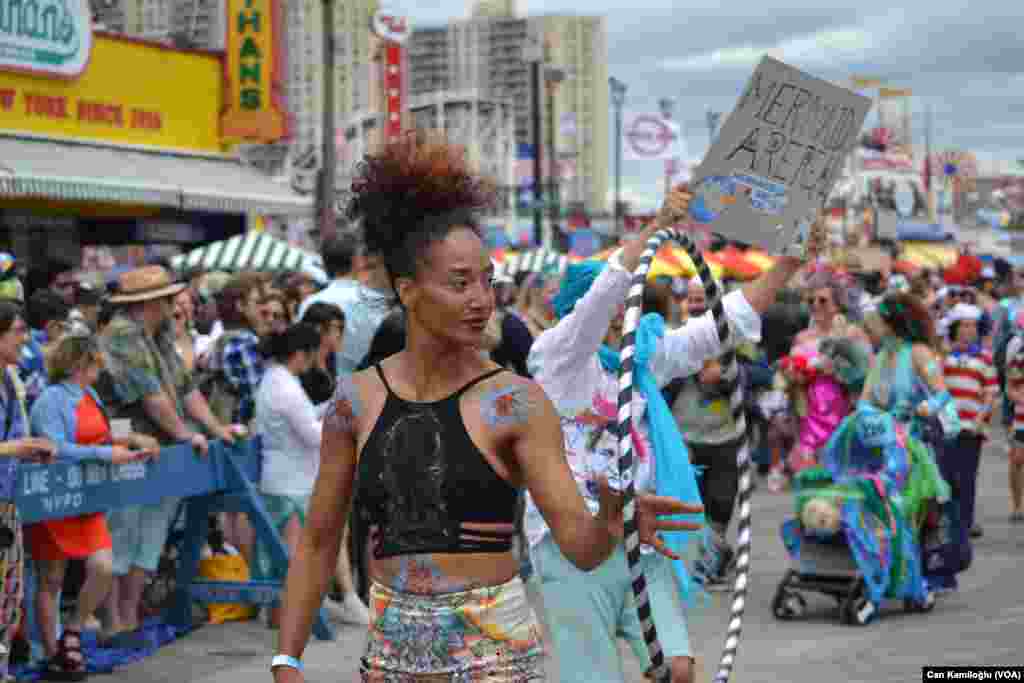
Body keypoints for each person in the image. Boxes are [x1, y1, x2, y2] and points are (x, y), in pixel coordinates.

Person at [271, 134, 699, 682]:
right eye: (459, 283)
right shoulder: (354, 402)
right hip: (389, 661)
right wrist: (287, 658)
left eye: (486, 282)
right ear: (408, 290)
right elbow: (318, 539)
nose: (480, 299)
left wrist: (615, 520)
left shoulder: (516, 402)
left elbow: (582, 548)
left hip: (493, 657)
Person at [526, 195, 817, 683]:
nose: (622, 317)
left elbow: (720, 327)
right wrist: (656, 227)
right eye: (616, 309)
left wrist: (787, 263)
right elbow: (597, 305)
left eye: (631, 308)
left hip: (640, 537)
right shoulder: (555, 358)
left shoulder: (642, 359)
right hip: (569, 545)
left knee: (677, 670)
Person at [96, 266, 237, 640]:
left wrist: (216, 429)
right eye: (167, 298)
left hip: (160, 447)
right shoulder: (123, 335)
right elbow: (151, 397)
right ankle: (114, 620)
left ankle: (129, 615)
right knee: (122, 531)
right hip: (123, 442)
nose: (174, 303)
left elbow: (186, 388)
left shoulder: (155, 334)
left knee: (150, 533)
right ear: (149, 302)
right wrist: (185, 433)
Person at [26, 336, 158, 679]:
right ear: (79, 364)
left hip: (86, 499)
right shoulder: (48, 401)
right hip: (54, 498)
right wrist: (106, 454)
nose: (100, 367)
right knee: (50, 578)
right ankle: (55, 653)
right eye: (96, 361)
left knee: (102, 566)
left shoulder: (91, 395)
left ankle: (71, 630)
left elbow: (106, 429)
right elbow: (54, 447)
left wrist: (132, 438)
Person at [861, 293, 962, 594]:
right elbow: (866, 398)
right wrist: (863, 415)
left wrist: (927, 408)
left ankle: (926, 571)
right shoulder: (880, 356)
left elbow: (942, 393)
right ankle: (892, 568)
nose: (870, 327)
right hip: (884, 443)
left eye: (875, 322)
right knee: (883, 506)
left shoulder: (918, 353)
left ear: (891, 324)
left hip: (918, 444)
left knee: (916, 509)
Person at [0, 301, 58, 683]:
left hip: (7, 502)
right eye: (18, 331)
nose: (26, 339)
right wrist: (16, 449)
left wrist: (30, 450)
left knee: (8, 599)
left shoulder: (10, 379)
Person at [297, 233, 393, 376]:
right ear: (357, 261)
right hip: (373, 384)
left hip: (325, 388)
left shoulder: (308, 304)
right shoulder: (376, 302)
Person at [942, 303, 997, 539]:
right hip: (946, 426)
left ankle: (965, 522)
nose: (969, 330)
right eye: (964, 325)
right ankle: (948, 521)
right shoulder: (944, 357)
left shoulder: (984, 358)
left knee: (966, 477)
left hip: (971, 428)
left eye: (973, 326)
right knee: (946, 475)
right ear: (955, 328)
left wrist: (980, 418)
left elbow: (991, 392)